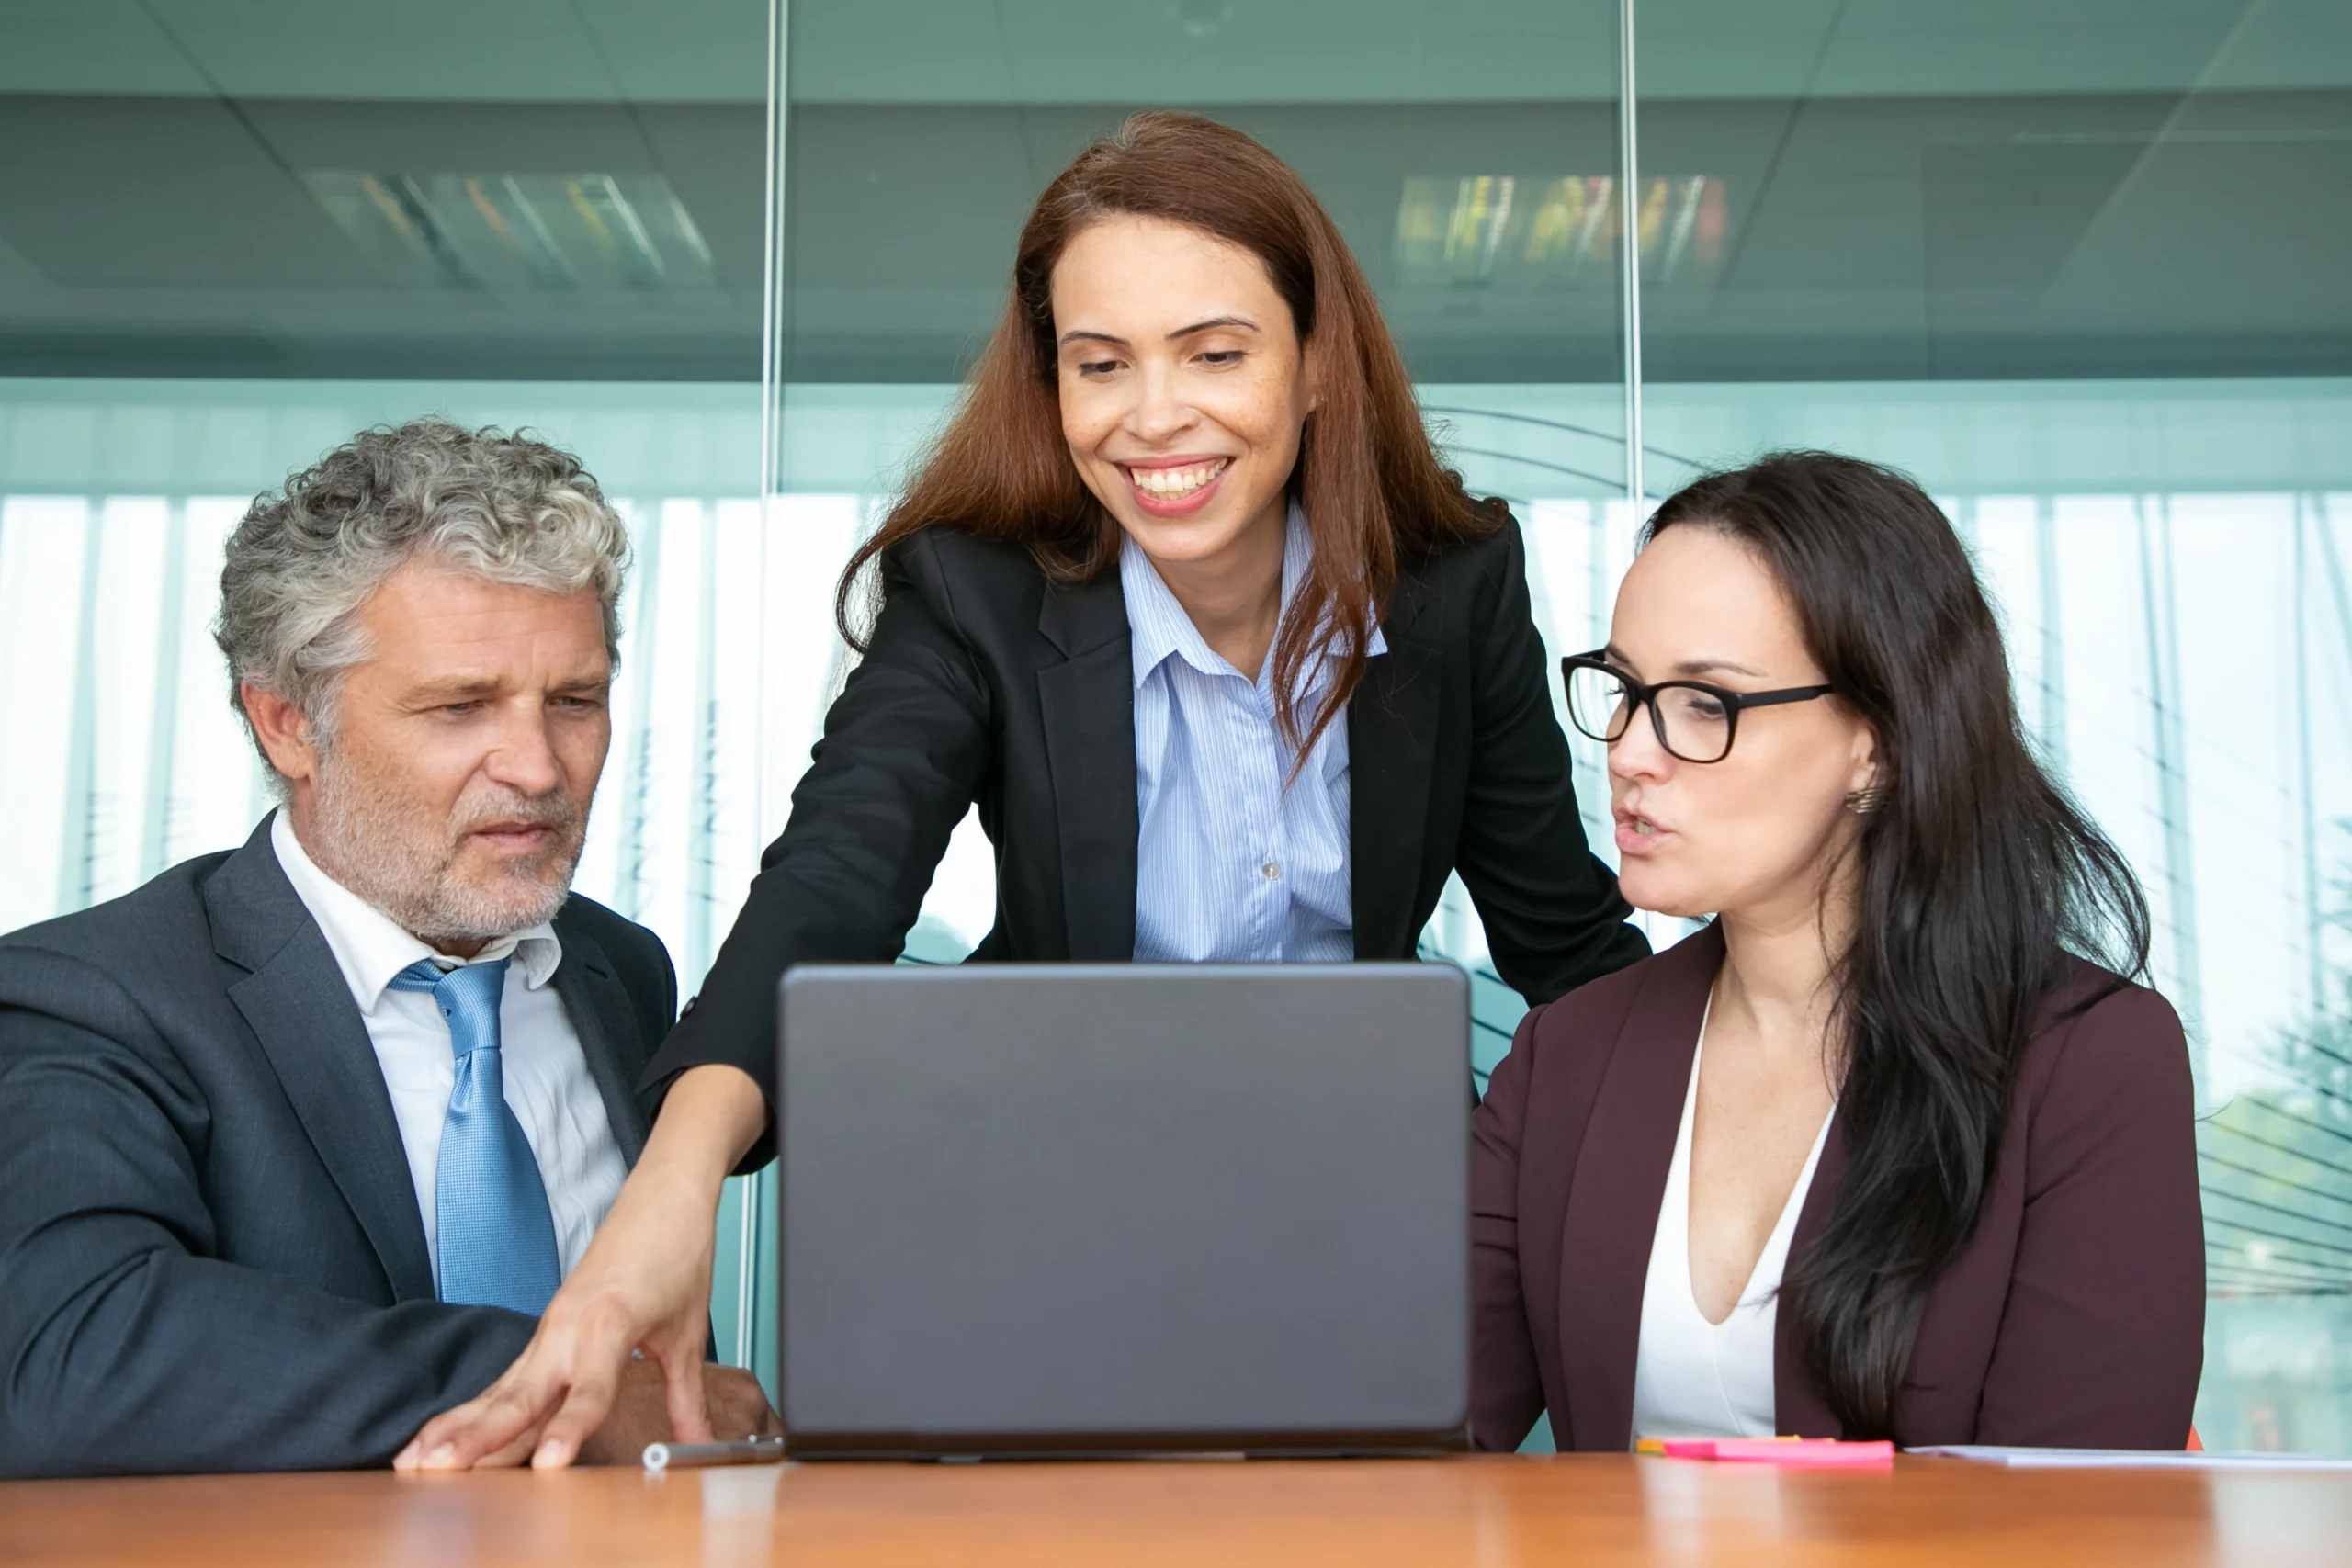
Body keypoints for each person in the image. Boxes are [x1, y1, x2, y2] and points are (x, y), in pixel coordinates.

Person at [401, 110, 1651, 1469]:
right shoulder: (975, 591)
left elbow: (1564, 941)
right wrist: (673, 1182)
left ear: (1316, 367)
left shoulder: (1450, 590)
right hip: (1051, 1212)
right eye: (1099, 363)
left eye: (1215, 353)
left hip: (1364, 1215)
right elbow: (833, 881)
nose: (1154, 415)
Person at [0, 421, 778, 1475]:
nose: (539, 767)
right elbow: (71, 1353)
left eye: (574, 701)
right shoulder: (93, 994)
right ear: (285, 724)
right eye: (461, 707)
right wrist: (582, 1390)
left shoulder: (619, 972)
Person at [1468, 452, 2205, 1451]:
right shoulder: (1569, 1053)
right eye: (1626, 689)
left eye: (1703, 703)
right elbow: (1416, 1428)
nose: (1631, 751)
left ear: (1878, 744)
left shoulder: (2086, 1062)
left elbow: (2085, 1520)